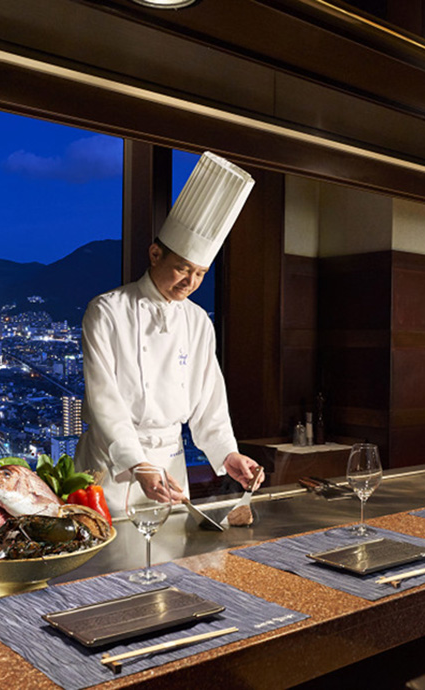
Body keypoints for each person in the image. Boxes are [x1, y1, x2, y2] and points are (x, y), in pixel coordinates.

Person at [76, 152, 264, 515]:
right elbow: (104, 402)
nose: (190, 282)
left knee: (169, 560)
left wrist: (228, 454)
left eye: (200, 273)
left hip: (171, 465)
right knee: (106, 563)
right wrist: (137, 463)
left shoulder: (198, 321)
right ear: (154, 254)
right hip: (110, 468)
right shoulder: (107, 310)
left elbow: (210, 402)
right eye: (182, 268)